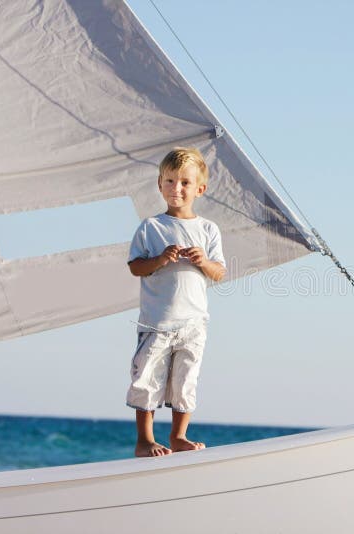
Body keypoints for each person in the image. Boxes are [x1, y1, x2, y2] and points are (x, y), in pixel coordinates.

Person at [126, 147, 226, 457]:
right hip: (157, 321)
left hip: (194, 322)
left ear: (200, 189)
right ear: (159, 185)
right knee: (147, 378)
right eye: (170, 181)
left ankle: (178, 436)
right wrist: (159, 259)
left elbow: (219, 272)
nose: (176, 189)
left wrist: (203, 261)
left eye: (184, 182)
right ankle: (145, 440)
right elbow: (135, 267)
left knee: (186, 380)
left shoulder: (208, 229)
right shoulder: (150, 227)